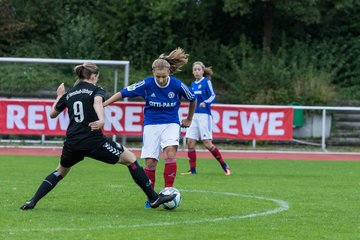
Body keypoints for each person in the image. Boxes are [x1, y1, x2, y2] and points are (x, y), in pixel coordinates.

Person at [20, 62, 176, 210]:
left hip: (72, 141)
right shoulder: (96, 90)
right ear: (93, 76)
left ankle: (32, 200)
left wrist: (59, 96)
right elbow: (97, 102)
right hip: (93, 140)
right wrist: (101, 119)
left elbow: (53, 114)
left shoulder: (69, 94)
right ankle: (153, 198)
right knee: (130, 159)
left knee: (60, 171)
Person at [103, 48, 196, 208]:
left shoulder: (177, 85)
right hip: (151, 125)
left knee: (170, 153)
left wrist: (188, 118)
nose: (160, 80)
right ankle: (151, 197)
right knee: (151, 162)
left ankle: (168, 190)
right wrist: (103, 104)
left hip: (171, 123)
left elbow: (193, 98)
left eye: (163, 77)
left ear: (169, 73)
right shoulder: (146, 84)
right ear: (153, 73)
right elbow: (123, 93)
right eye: (157, 77)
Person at [182, 61, 231, 176]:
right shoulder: (193, 85)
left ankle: (225, 165)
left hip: (204, 116)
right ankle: (192, 170)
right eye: (195, 70)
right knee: (190, 142)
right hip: (193, 116)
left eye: (199, 69)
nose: (197, 72)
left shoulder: (206, 82)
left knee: (207, 143)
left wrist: (206, 102)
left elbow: (213, 95)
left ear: (203, 71)